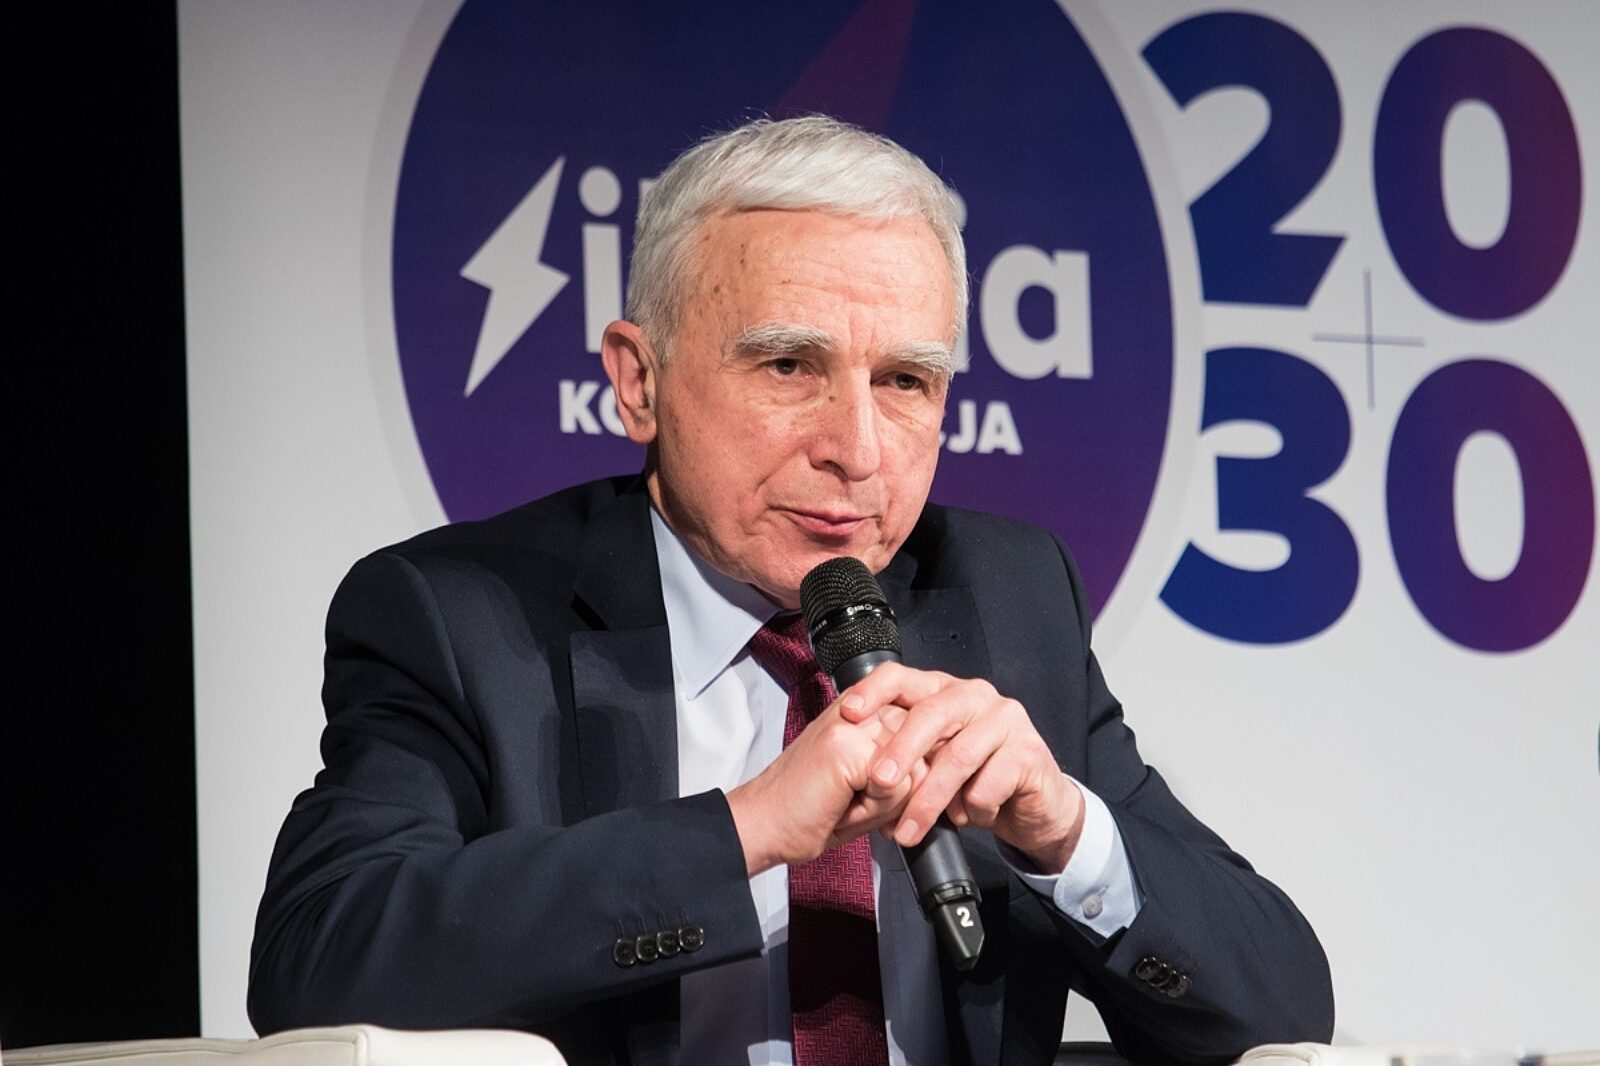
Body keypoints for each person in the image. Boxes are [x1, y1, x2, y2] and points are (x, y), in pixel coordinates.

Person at [249, 116, 1334, 1065]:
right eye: (788, 367)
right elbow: (319, 964)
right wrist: (746, 831)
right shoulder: (460, 617)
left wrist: (1066, 833)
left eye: (904, 381)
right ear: (638, 381)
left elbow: (1286, 1008)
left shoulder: (1010, 597)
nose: (856, 450)